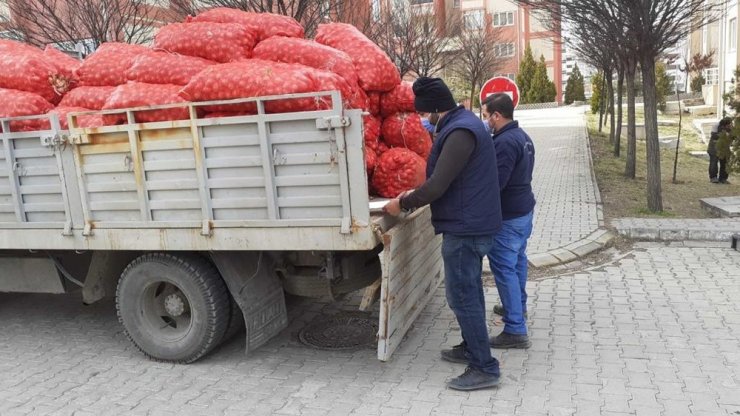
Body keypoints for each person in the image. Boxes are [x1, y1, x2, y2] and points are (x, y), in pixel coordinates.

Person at [384, 77, 502, 391]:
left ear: (435, 108)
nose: (422, 118)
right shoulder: (461, 124)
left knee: (462, 296)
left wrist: (404, 203)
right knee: (470, 292)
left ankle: (484, 367)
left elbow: (438, 184)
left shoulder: (461, 131)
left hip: (466, 228)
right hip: (470, 223)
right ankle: (470, 346)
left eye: (424, 113)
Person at [482, 93, 536, 349]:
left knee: (505, 269)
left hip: (509, 216)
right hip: (524, 211)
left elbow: (497, 184)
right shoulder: (523, 137)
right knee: (517, 263)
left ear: (496, 115)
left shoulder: (503, 143)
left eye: (486, 115)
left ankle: (515, 328)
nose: (485, 121)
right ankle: (517, 307)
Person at [708, 117, 731, 184]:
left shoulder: (731, 127)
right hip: (714, 146)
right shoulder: (716, 125)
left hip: (725, 147)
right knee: (714, 162)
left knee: (725, 162)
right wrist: (724, 134)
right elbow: (714, 136)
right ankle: (713, 177)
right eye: (727, 125)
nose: (729, 126)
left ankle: (723, 178)